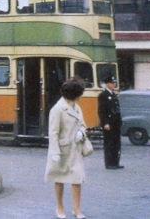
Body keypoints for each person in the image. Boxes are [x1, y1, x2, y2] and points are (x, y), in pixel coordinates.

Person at [45, 78, 88, 219]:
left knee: (77, 178)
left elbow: (83, 124)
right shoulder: (57, 109)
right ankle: (60, 206)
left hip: (75, 149)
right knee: (60, 178)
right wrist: (55, 152)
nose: (81, 95)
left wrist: (81, 132)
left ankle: (76, 209)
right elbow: (53, 132)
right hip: (62, 150)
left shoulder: (77, 107)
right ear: (73, 93)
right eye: (80, 93)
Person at [97, 75, 123, 170]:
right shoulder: (103, 95)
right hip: (109, 123)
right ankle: (109, 163)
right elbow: (101, 111)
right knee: (109, 144)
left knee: (116, 143)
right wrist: (105, 123)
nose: (114, 84)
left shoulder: (113, 94)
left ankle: (115, 162)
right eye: (112, 83)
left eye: (114, 83)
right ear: (107, 84)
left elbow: (117, 109)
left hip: (116, 123)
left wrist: (120, 120)